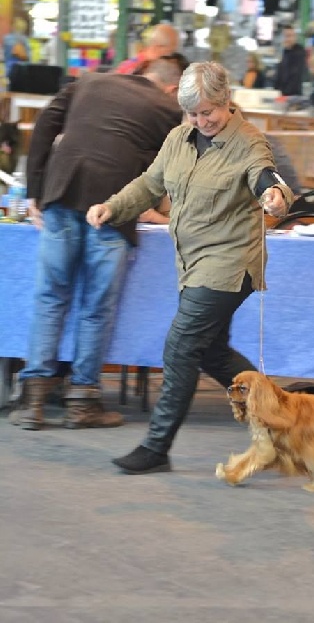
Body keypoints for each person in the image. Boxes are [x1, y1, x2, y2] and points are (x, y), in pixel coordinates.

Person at [86, 61, 294, 474]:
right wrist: (113, 206)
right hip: (193, 263)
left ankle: (156, 446)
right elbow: (149, 184)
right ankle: (286, 419)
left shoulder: (249, 143)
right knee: (212, 353)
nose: (202, 121)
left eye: (208, 112)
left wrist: (275, 196)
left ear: (226, 101)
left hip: (230, 264)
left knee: (181, 347)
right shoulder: (179, 139)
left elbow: (266, 177)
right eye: (193, 114)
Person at [10, 54, 187, 431]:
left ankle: (32, 403)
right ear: (172, 87)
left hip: (62, 193)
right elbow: (161, 173)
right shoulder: (168, 108)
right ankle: (82, 403)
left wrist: (36, 191)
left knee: (50, 299)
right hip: (112, 210)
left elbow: (44, 127)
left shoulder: (88, 81)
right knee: (95, 308)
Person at [114, 23, 180, 74]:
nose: (172, 57)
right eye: (171, 51)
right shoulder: (147, 71)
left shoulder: (131, 63)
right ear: (159, 47)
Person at [274, 25, 307, 96]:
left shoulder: (299, 52)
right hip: (282, 94)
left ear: (295, 37)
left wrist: (285, 93)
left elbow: (295, 75)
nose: (287, 39)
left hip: (292, 95)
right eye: (285, 36)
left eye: (290, 36)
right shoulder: (285, 52)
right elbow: (280, 73)